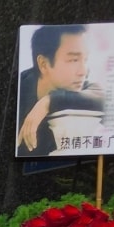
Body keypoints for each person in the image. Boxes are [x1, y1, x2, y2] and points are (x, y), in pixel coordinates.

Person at [16, 24, 104, 157]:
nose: (83, 72)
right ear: (44, 64)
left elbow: (105, 99)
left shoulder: (82, 87)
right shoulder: (20, 88)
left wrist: (49, 101)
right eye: (74, 60)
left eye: (85, 60)